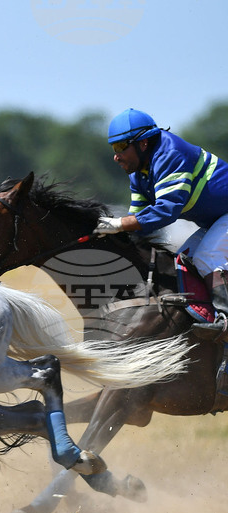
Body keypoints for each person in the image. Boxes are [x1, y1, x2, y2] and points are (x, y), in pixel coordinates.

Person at [95, 108, 228, 340]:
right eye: (113, 149)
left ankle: (226, 319)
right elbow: (139, 216)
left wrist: (119, 224)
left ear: (143, 143)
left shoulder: (170, 154)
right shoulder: (138, 173)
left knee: (207, 257)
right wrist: (113, 234)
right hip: (217, 218)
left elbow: (166, 210)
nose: (115, 156)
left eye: (120, 148)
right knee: (185, 258)